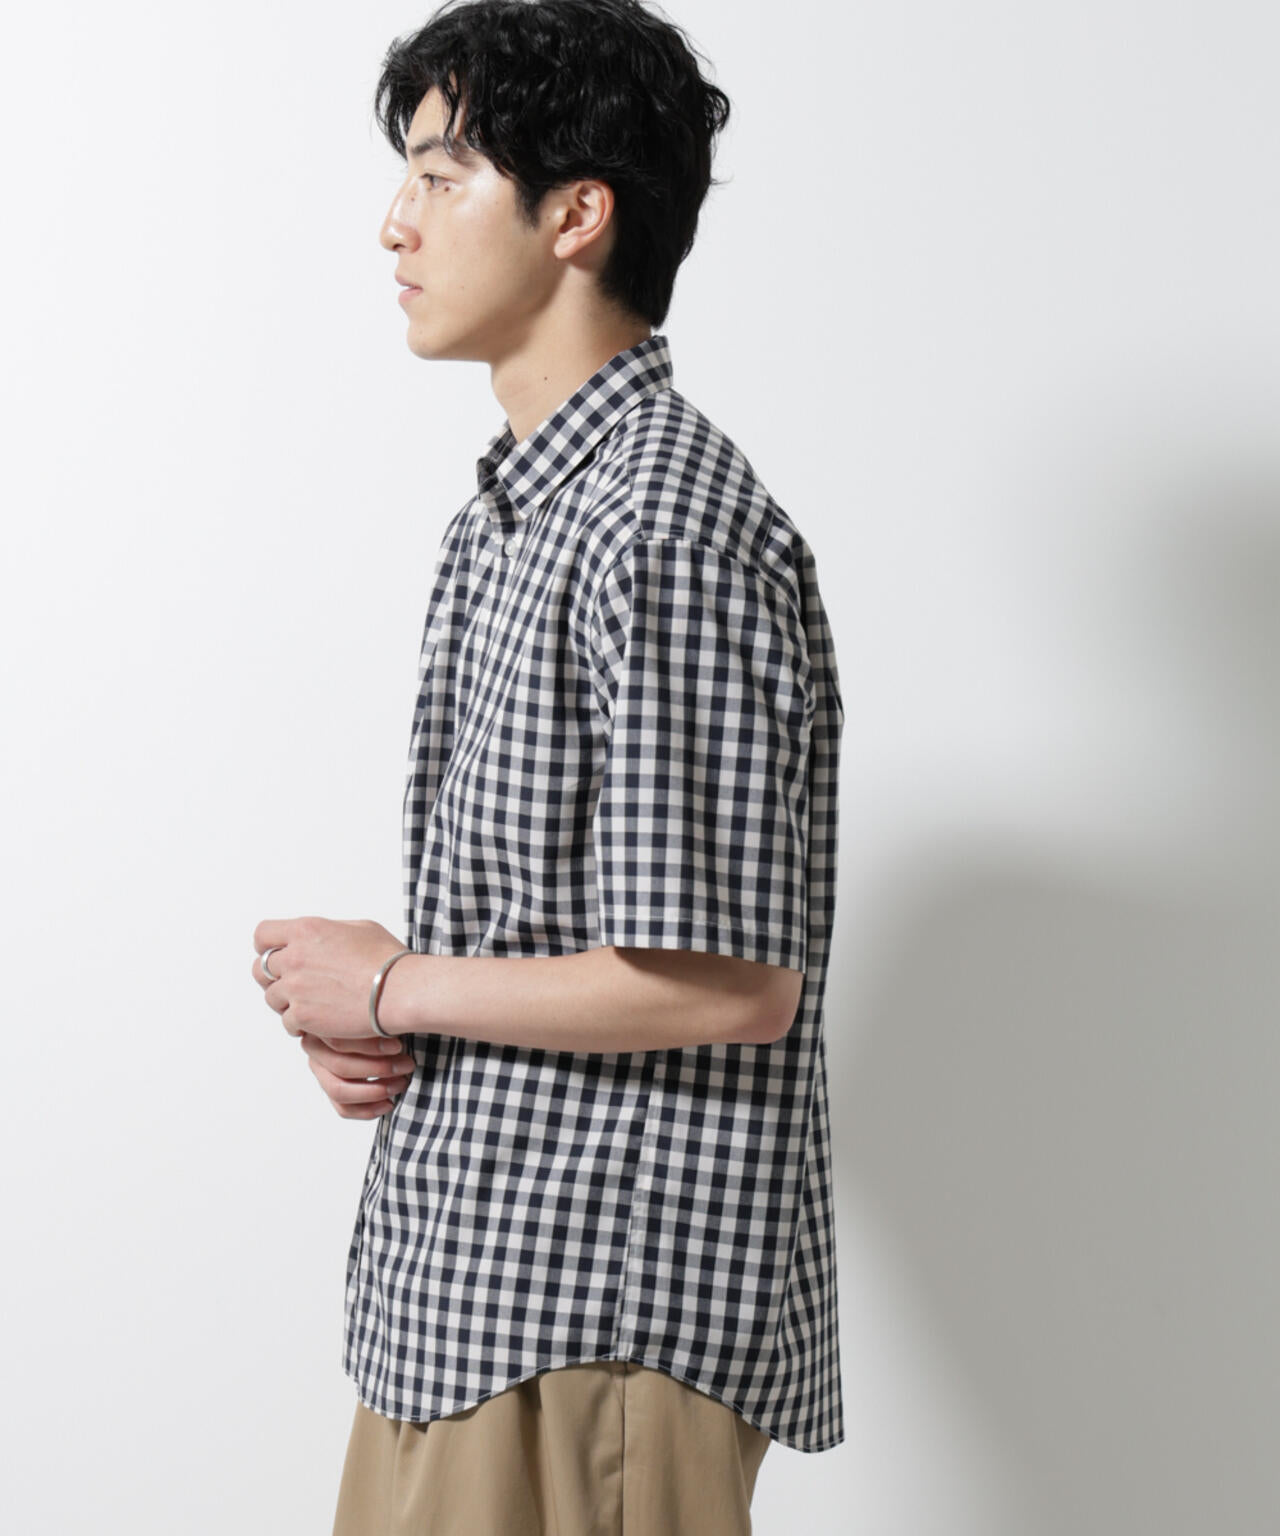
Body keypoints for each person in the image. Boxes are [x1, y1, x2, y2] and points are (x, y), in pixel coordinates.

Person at [250, 2, 845, 1530]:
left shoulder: (661, 525)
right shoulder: (515, 520)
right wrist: (392, 1021)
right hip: (468, 1298)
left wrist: (393, 984)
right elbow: (562, 938)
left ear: (578, 217)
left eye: (442, 176)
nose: (395, 222)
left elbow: (727, 984)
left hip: (592, 1321)